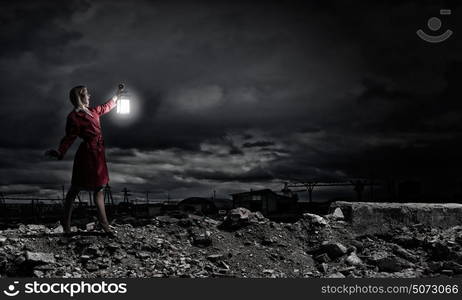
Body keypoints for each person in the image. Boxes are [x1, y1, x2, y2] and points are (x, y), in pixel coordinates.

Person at [46, 85, 123, 236]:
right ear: (80, 96)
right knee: (75, 190)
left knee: (99, 189)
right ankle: (66, 226)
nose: (90, 96)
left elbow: (105, 107)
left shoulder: (93, 111)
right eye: (87, 94)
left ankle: (105, 226)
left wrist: (117, 95)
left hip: (98, 154)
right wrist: (60, 151)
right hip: (87, 155)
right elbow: (69, 137)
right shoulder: (73, 117)